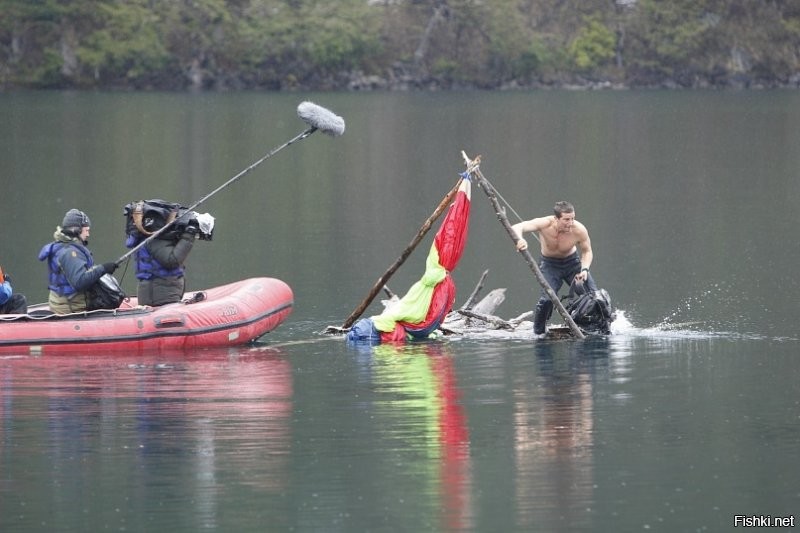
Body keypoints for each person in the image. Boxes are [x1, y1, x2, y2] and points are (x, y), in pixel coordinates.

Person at [347, 175, 471, 344]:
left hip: (417, 324)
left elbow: (454, 229)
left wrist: (465, 186)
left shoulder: (437, 275)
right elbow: (454, 229)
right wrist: (465, 187)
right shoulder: (438, 277)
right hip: (417, 325)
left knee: (450, 235)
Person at [511, 201, 599, 336]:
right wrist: (520, 240)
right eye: (566, 220)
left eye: (573, 218)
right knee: (546, 299)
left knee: (593, 297)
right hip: (550, 265)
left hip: (573, 264)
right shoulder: (545, 223)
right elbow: (517, 226)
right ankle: (539, 332)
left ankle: (601, 325)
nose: (570, 223)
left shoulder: (579, 229)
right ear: (556, 219)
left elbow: (587, 252)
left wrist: (585, 269)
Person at [38, 209, 117, 314]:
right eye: (86, 230)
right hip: (71, 309)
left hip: (66, 305)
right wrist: (103, 269)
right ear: (77, 229)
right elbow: (80, 282)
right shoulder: (70, 252)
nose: (88, 234)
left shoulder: (63, 247)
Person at [125, 209, 200, 307]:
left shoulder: (148, 238)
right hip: (160, 297)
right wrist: (189, 234)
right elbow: (172, 261)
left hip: (159, 294)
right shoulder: (155, 240)